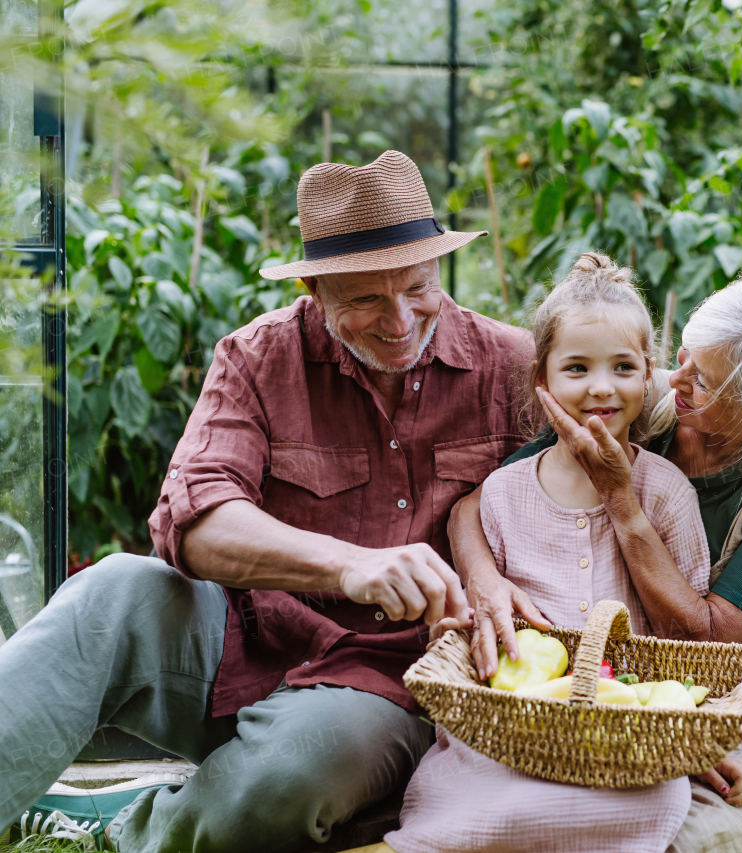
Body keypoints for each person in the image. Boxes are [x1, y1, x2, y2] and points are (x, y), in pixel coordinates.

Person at [0, 150, 532, 853]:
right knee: (110, 593)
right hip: (249, 644)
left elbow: (623, 437)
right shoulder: (259, 357)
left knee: (282, 779)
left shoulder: (513, 367)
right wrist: (349, 566)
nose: (400, 319)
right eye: (367, 299)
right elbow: (192, 521)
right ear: (314, 287)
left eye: (417, 287)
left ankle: (121, 832)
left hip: (392, 684)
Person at [452, 272, 742, 853]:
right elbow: (474, 506)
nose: (675, 380)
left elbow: (706, 640)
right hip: (623, 686)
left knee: (683, 842)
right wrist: (484, 580)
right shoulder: (637, 395)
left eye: (703, 380)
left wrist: (620, 496)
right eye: (682, 358)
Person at [385, 252, 718, 853]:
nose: (600, 387)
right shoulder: (505, 493)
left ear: (649, 374)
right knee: (475, 784)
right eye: (576, 368)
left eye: (623, 367)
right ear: (543, 380)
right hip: (513, 725)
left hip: (620, 733)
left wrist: (683, 734)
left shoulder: (664, 491)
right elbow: (475, 620)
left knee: (661, 795)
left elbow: (688, 637)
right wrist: (454, 630)